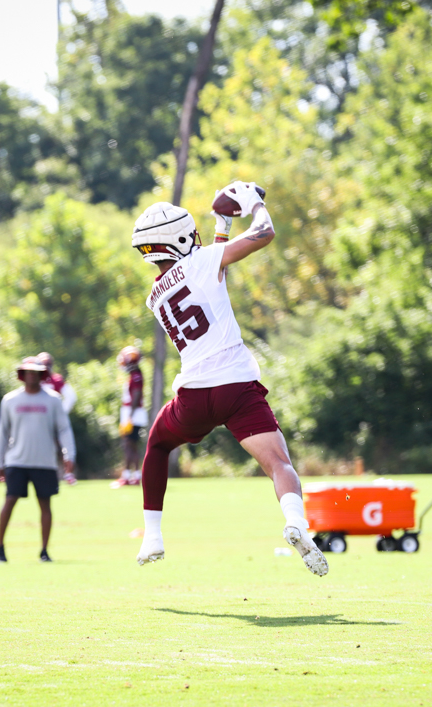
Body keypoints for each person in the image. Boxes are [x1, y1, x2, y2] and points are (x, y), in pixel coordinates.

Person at [130, 183, 328, 576]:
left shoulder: (155, 296)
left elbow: (211, 274)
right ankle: (296, 522)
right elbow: (263, 234)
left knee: (158, 444)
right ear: (182, 237)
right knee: (279, 464)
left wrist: (222, 225)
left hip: (194, 396)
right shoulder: (203, 262)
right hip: (237, 387)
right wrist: (252, 202)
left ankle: (152, 536)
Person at [0, 356, 77, 563]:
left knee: (45, 504)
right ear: (22, 375)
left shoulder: (53, 400)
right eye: (28, 372)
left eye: (36, 372)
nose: (32, 376)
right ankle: (0, 548)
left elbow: (64, 429)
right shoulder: (10, 400)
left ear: (42, 375)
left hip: (45, 461)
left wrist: (69, 454)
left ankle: (44, 551)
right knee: (10, 500)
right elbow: (2, 432)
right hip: (16, 461)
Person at [37, 352, 77, 486]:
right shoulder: (35, 381)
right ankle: (42, 473)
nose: (46, 367)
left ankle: (68, 473)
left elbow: (71, 397)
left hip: (54, 420)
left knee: (63, 447)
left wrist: (61, 413)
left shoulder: (56, 380)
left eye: (48, 364)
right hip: (39, 420)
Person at [111, 346, 147, 488]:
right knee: (131, 446)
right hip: (131, 413)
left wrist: (129, 417)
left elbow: (136, 395)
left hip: (133, 414)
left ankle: (128, 476)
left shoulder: (136, 376)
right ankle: (134, 475)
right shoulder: (134, 375)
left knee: (129, 445)